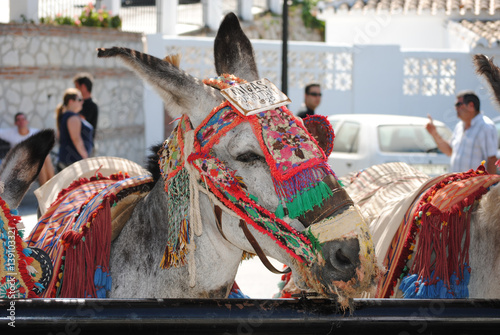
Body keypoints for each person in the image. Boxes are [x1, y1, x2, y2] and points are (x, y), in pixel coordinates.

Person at [426, 90, 498, 174]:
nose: (455, 108)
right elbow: (450, 151)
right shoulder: (459, 126)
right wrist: (434, 133)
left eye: (458, 105)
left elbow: (492, 159)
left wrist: (489, 185)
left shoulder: (486, 127)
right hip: (458, 184)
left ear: (471, 106)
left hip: (477, 185)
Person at [0, 112, 55, 185]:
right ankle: (50, 187)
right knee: (41, 161)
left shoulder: (36, 133)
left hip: (34, 161)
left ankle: (49, 186)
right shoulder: (10, 133)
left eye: (23, 119)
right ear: (16, 123)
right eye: (18, 120)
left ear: (27, 121)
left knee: (45, 157)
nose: (21, 121)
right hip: (20, 164)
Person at [56, 88, 94, 171]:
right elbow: (76, 139)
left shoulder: (65, 116)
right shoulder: (72, 117)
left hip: (69, 162)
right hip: (73, 163)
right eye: (79, 99)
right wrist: (86, 159)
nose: (82, 102)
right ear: (71, 101)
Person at [73, 72, 98, 140]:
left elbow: (81, 120)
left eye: (76, 87)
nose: (75, 90)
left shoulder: (92, 105)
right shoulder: (79, 102)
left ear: (83, 87)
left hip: (86, 144)